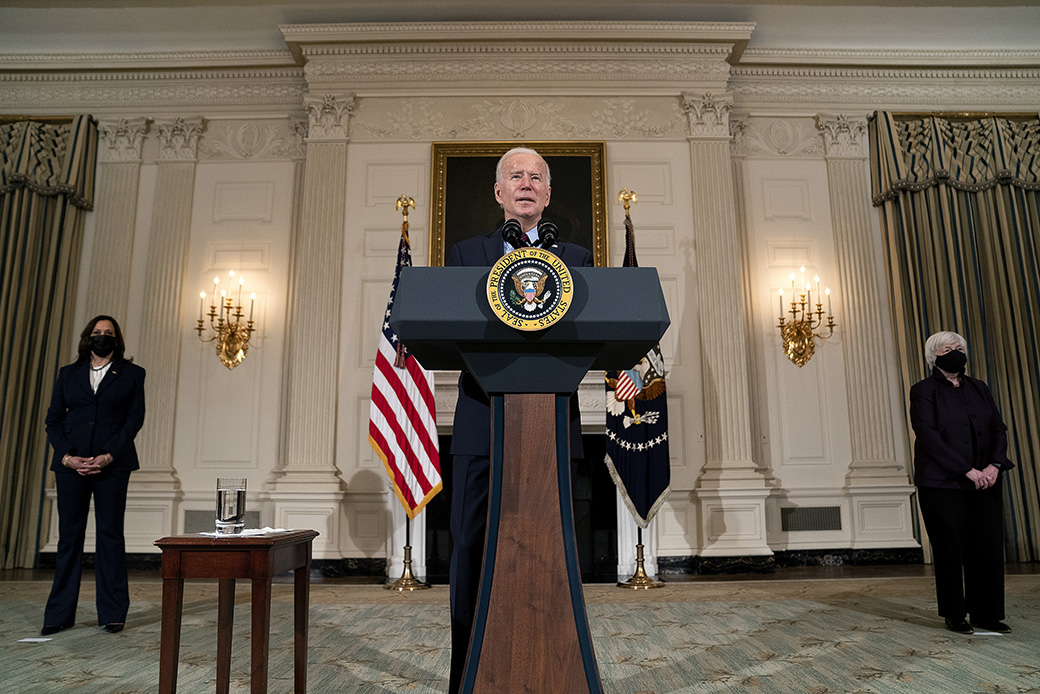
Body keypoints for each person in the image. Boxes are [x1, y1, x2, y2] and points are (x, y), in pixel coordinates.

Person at [445, 147, 593, 693]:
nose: (526, 184)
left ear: (548, 195)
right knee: (470, 553)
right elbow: (453, 332)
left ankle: (557, 672)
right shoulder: (466, 254)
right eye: (516, 176)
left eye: (537, 177)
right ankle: (466, 676)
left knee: (553, 558)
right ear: (499, 192)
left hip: (552, 429)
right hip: (483, 425)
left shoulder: (576, 258)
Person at [42, 315, 146, 636]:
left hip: (112, 464)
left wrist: (107, 456)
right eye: (97, 332)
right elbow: (53, 421)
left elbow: (134, 420)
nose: (102, 336)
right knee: (69, 539)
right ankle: (59, 614)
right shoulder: (67, 374)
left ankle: (113, 613)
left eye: (108, 333)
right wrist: (69, 458)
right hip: (71, 466)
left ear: (117, 339)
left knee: (109, 536)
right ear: (87, 337)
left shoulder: (132, 374)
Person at [909, 330, 1014, 635]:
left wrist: (994, 466)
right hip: (942, 484)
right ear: (934, 356)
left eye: (959, 347)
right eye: (947, 348)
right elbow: (928, 436)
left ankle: (987, 614)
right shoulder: (923, 390)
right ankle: (956, 614)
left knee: (988, 548)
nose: (955, 352)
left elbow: (999, 429)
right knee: (950, 549)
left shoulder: (979, 388)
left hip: (987, 480)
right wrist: (967, 470)